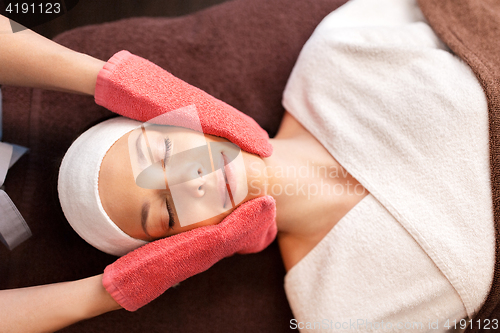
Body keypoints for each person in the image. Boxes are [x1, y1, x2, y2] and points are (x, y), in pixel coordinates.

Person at [0, 0, 496, 331]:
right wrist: (112, 291)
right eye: (166, 214)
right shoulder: (333, 310)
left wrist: (112, 77)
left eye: (163, 155)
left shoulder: (340, 55)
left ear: (176, 116)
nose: (186, 181)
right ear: (180, 249)